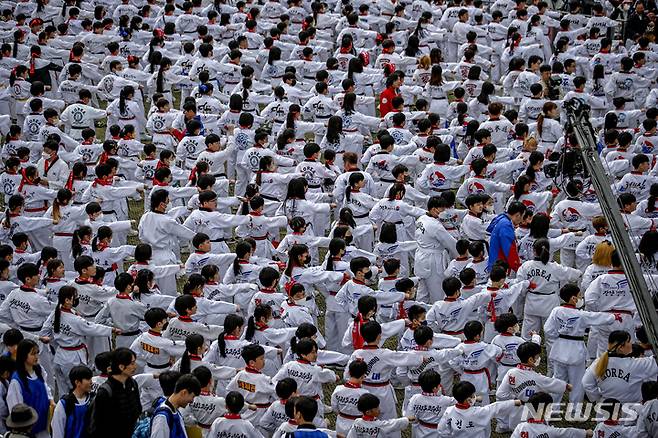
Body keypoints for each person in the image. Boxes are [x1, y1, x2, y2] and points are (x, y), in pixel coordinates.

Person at [88, 348, 142, 438]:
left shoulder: (132, 383)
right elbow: (99, 424)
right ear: (121, 367)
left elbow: (137, 408)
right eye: (132, 363)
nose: (135, 366)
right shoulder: (105, 392)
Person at [7, 340, 52, 438]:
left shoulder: (39, 370)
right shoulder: (17, 381)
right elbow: (15, 407)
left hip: (44, 424)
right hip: (29, 429)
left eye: (37, 353)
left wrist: (51, 400)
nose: (36, 357)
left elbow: (45, 387)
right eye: (33, 354)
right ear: (23, 355)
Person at [150, 374, 201, 438]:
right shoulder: (162, 417)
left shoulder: (175, 411)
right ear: (184, 392)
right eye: (192, 396)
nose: (192, 401)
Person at [51, 365, 94, 438]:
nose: (91, 382)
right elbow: (57, 431)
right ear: (77, 382)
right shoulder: (64, 404)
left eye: (91, 378)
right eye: (87, 379)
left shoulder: (93, 399)